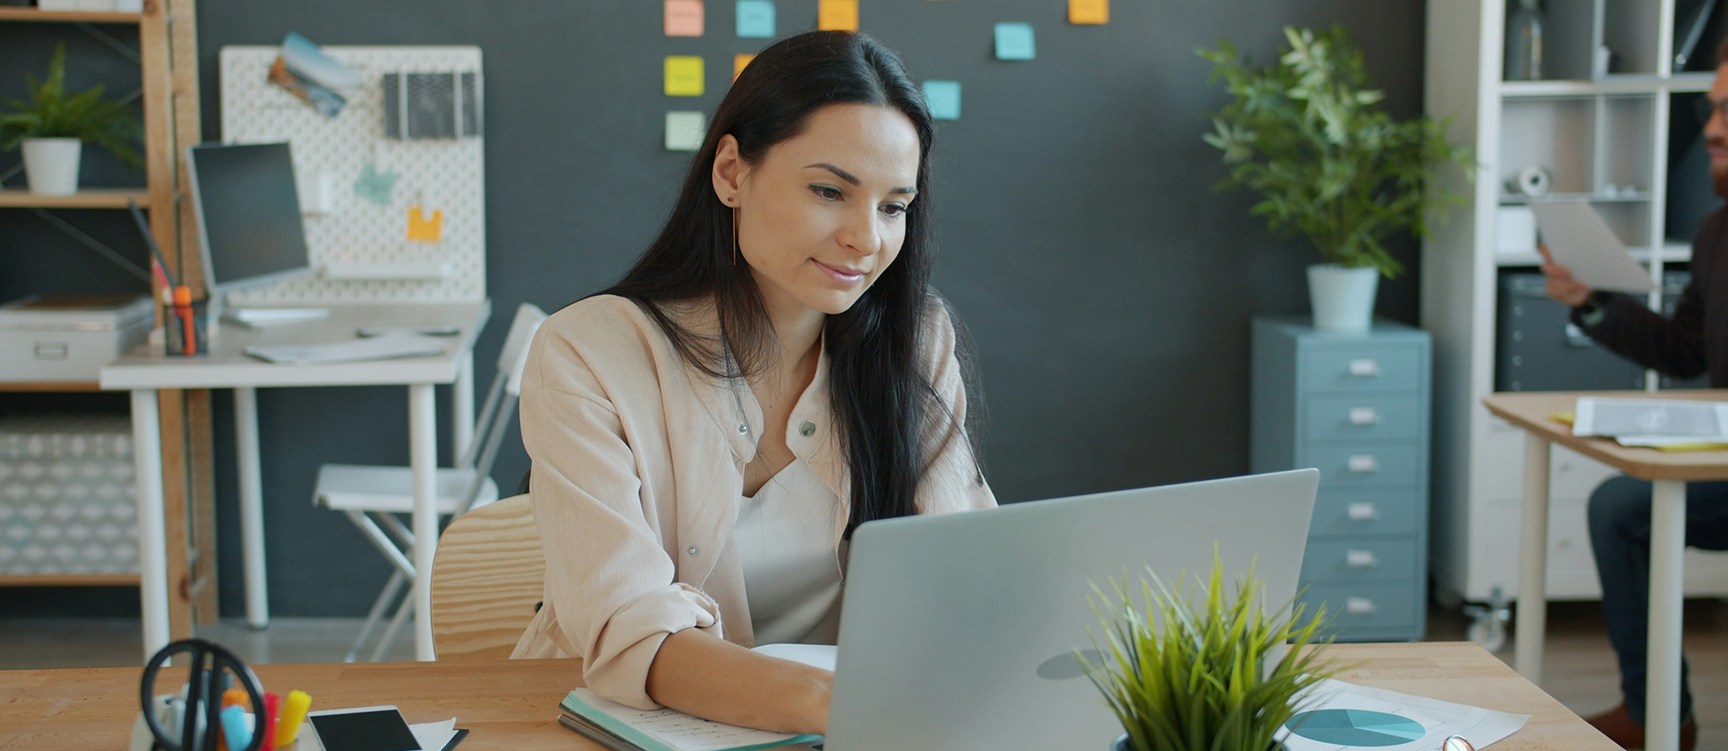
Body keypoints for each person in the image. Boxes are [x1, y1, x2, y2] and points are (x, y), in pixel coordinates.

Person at [509, 30, 996, 736]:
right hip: (625, 729)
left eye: (894, 206)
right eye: (830, 190)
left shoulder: (915, 343)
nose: (866, 238)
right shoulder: (589, 353)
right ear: (732, 172)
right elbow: (631, 635)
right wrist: (849, 707)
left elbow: (960, 574)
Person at [1535, 41, 1728, 751]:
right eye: (1711, 108)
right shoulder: (1715, 232)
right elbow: (1684, 351)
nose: (1709, 127)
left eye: (1727, 110)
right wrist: (1589, 301)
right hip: (1720, 465)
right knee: (1620, 506)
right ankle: (1658, 715)